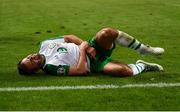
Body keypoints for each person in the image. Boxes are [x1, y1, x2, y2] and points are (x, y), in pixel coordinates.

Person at [17, 27, 164, 77]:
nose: (32, 57)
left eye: (28, 57)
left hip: (91, 47)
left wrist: (87, 46)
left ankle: (143, 49)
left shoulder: (45, 44)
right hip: (93, 64)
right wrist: (82, 51)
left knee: (107, 33)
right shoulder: (51, 67)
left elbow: (69, 37)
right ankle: (143, 66)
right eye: (32, 62)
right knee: (122, 71)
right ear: (36, 69)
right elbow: (80, 71)